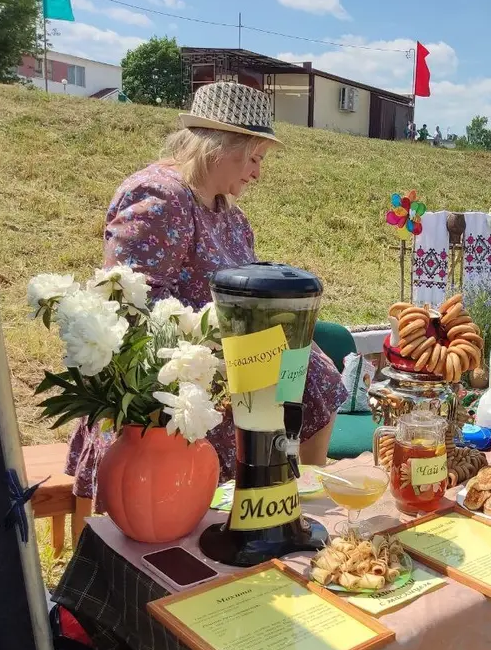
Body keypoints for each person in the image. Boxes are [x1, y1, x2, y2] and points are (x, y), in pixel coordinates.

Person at [66, 82, 348, 509]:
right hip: (172, 387)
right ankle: (275, 505)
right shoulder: (161, 196)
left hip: (230, 371)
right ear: (218, 148)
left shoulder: (229, 213)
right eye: (253, 158)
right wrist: (222, 350)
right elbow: (130, 309)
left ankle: (297, 501)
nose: (257, 173)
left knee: (312, 371)